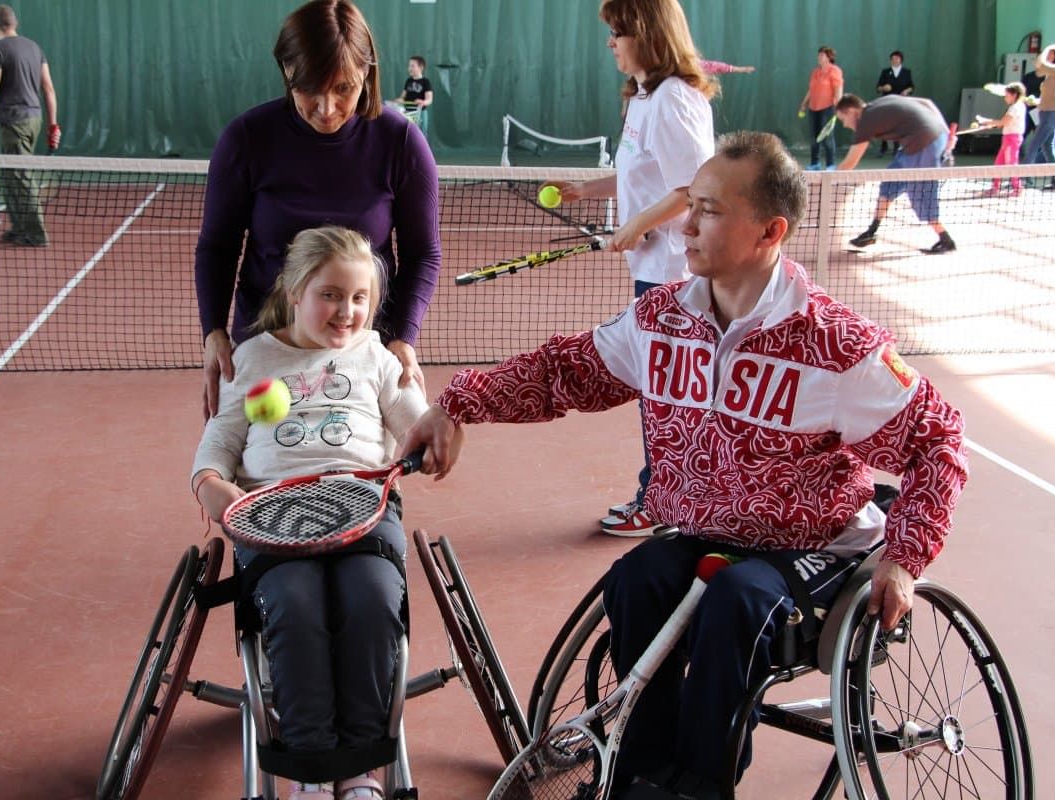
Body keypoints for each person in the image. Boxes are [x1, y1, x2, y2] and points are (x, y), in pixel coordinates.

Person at [401, 131, 968, 799]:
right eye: (689, 205)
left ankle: (699, 785)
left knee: (738, 601)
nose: (686, 225)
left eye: (710, 210)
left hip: (814, 547)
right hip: (706, 536)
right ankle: (638, 772)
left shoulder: (836, 346)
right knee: (637, 579)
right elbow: (564, 372)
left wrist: (905, 557)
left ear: (769, 230)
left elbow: (938, 441)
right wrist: (459, 402)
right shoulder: (662, 318)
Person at [193, 226, 428, 800]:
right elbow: (222, 436)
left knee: (371, 601)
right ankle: (311, 769)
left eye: (359, 299)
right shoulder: (254, 358)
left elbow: (411, 420)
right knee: (295, 606)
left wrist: (433, 428)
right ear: (295, 290)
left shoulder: (373, 355)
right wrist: (208, 482)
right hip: (271, 512)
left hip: (363, 508)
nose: (345, 311)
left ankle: (361, 768)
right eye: (329, 294)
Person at [196, 0, 441, 423]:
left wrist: (404, 338)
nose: (326, 108)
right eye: (308, 88)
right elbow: (217, 246)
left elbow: (422, 253)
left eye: (343, 88)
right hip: (263, 344)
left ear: (367, 72)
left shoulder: (401, 142)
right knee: (260, 472)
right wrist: (213, 332)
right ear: (286, 71)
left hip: (361, 347)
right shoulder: (246, 139)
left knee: (358, 470)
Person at [551, 0, 717, 537]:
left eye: (617, 32)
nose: (610, 43)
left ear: (644, 33)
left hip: (678, 276)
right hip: (653, 271)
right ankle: (675, 496)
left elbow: (695, 188)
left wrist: (638, 224)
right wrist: (593, 190)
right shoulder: (644, 99)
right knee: (663, 389)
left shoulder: (673, 99)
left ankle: (660, 501)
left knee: (665, 392)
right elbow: (646, 174)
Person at [0, 4, 59, 248]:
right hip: (34, 119)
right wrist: (53, 125)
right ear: (16, 23)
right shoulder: (34, 47)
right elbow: (49, 89)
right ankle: (19, 227)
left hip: (15, 121)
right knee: (9, 174)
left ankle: (36, 234)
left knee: (20, 176)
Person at [834, 93, 958, 254]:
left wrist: (826, 179)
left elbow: (850, 162)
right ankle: (871, 232)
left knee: (921, 194)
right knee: (889, 183)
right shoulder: (878, 104)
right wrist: (946, 133)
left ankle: (946, 240)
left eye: (843, 119)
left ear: (852, 111)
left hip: (925, 144)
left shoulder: (866, 121)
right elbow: (927, 101)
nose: (845, 124)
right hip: (918, 142)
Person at [1023, 43, 1055, 189]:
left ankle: (1022, 179)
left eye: (1051, 54)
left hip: (1052, 114)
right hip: (1045, 112)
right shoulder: (1050, 73)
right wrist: (1035, 100)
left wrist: (1047, 48)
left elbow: (1040, 62)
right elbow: (1039, 68)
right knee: (1047, 148)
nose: (1048, 55)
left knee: (1034, 145)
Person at [972, 82, 1027, 197]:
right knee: (999, 163)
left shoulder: (1016, 107)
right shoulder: (1017, 106)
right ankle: (995, 187)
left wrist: (986, 121)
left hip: (1013, 139)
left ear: (1014, 94)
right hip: (1008, 138)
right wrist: (990, 123)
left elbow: (1003, 122)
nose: (1005, 98)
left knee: (1011, 164)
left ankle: (1018, 188)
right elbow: (1004, 123)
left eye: (1006, 95)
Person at [798, 46, 844, 170]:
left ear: (829, 57)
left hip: (828, 108)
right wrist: (804, 103)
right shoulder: (815, 72)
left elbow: (838, 89)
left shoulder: (835, 70)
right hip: (813, 108)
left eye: (822, 55)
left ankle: (830, 164)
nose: (819, 57)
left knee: (827, 137)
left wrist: (838, 105)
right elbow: (811, 89)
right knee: (814, 137)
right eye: (818, 55)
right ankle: (815, 163)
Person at [875, 50, 915, 156]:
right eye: (892, 59)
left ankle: (897, 147)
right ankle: (883, 147)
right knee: (885, 125)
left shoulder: (906, 72)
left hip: (901, 102)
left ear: (901, 60)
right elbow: (878, 87)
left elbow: (911, 86)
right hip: (887, 102)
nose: (894, 60)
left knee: (898, 124)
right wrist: (884, 87)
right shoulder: (885, 72)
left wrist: (907, 91)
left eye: (897, 58)